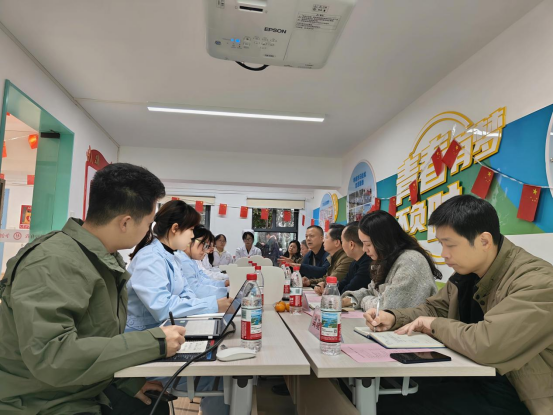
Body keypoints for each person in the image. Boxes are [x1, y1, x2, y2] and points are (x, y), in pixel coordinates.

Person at [0, 163, 187, 415]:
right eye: (148, 223)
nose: (148, 231)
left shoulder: (100, 258)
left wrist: (128, 383)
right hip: (40, 401)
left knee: (155, 404)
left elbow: (94, 338)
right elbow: (52, 357)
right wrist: (155, 342)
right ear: (125, 222)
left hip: (80, 388)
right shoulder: (52, 262)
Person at [365, 195, 553, 415]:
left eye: (450, 245)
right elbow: (434, 309)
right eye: (441, 244)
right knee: (383, 390)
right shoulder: (466, 274)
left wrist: (434, 324)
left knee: (390, 405)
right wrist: (394, 317)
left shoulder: (538, 282)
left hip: (518, 395)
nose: (444, 255)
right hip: (470, 376)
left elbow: (487, 344)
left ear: (484, 241)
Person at [126, 202, 230, 333]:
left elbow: (187, 292)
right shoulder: (150, 258)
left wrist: (203, 306)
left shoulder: (173, 257)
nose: (192, 236)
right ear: (175, 228)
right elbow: (162, 308)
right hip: (143, 332)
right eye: (191, 229)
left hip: (167, 326)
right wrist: (213, 305)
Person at [342, 210, 440, 311]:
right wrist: (349, 300)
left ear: (383, 241)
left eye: (368, 244)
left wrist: (364, 300)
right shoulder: (385, 260)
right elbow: (373, 291)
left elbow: (388, 307)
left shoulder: (410, 261)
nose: (364, 249)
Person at [313, 221, 371, 295]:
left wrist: (329, 290)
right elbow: (343, 284)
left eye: (342, 241)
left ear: (351, 244)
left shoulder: (367, 264)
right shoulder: (354, 263)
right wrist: (326, 286)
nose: (342, 246)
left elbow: (349, 290)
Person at [177, 226, 230, 299]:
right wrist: (226, 292)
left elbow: (203, 280)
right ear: (190, 240)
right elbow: (195, 290)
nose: (206, 250)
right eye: (205, 245)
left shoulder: (191, 260)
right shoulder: (183, 260)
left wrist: (224, 284)